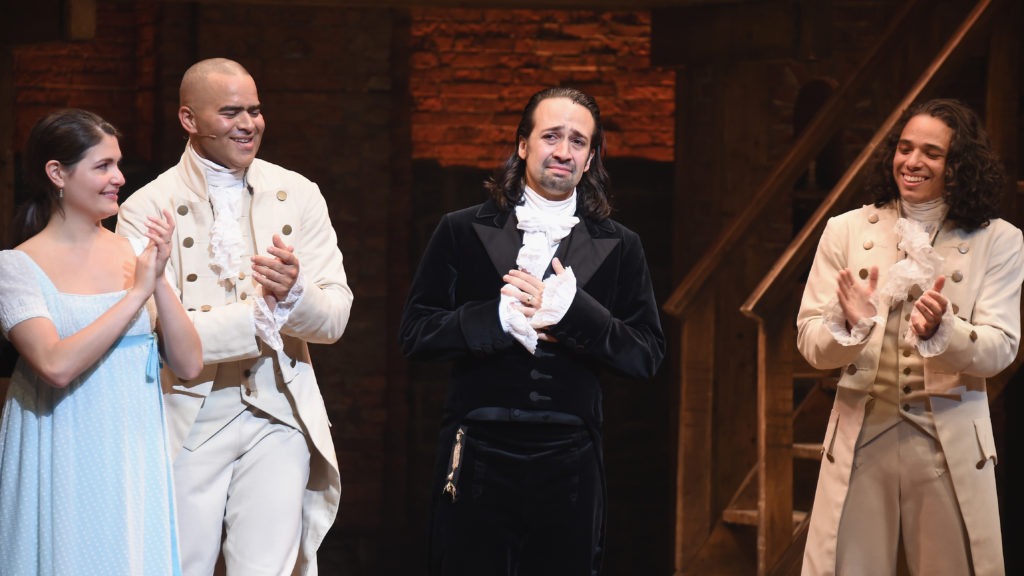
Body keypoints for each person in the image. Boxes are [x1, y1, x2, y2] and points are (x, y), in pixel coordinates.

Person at [399, 86, 665, 575]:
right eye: (551, 136)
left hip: (570, 458)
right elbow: (416, 333)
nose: (564, 151)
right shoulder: (459, 229)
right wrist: (496, 318)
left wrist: (575, 315)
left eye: (578, 142)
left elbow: (646, 354)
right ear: (523, 145)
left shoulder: (622, 245)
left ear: (590, 159)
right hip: (477, 448)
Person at [116, 58, 352, 576]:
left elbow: (334, 318)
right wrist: (261, 315)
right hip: (187, 415)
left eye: (255, 110)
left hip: (279, 411)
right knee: (179, 565)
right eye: (230, 112)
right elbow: (155, 328)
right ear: (188, 119)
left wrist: (294, 295)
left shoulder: (299, 193)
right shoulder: (145, 207)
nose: (248, 124)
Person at [797, 98, 1022, 575]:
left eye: (932, 153)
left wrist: (948, 331)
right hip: (863, 438)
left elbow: (1001, 346)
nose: (913, 162)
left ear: (958, 166)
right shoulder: (846, 229)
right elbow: (811, 342)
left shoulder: (999, 240)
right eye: (904, 148)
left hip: (947, 444)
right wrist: (850, 327)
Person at [0, 108, 203, 575]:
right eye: (102, 166)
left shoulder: (133, 252)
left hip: (131, 445)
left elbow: (190, 363)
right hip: (63, 443)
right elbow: (55, 364)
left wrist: (157, 276)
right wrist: (136, 294)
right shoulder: (17, 267)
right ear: (57, 173)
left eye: (118, 164)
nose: (118, 178)